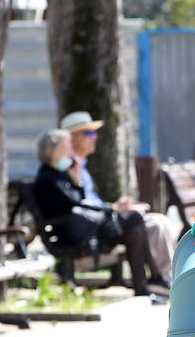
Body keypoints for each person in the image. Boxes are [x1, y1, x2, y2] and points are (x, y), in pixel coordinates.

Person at [32, 127, 167, 298]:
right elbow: (76, 204)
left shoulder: (60, 174)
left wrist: (76, 180)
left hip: (86, 230)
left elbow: (79, 203)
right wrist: (113, 209)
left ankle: (147, 285)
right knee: (134, 221)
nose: (70, 152)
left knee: (135, 224)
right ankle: (150, 282)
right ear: (53, 151)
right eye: (67, 148)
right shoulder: (48, 178)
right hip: (78, 236)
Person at [58, 110, 177, 289]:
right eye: (89, 133)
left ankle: (165, 276)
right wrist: (114, 208)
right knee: (154, 225)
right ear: (72, 138)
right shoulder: (67, 167)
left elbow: (90, 202)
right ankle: (158, 278)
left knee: (161, 220)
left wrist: (119, 207)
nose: (95, 137)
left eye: (94, 133)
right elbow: (78, 205)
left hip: (101, 220)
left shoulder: (81, 165)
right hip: (94, 227)